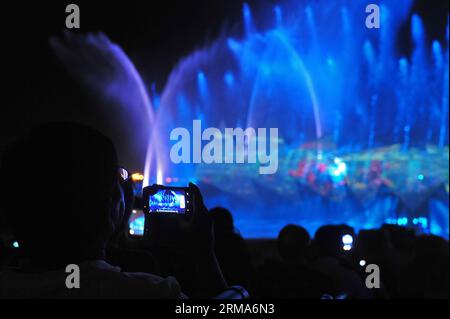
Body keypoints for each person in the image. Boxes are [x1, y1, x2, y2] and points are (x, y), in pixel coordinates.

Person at [0, 122, 227, 298]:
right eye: (118, 176)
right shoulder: (147, 293)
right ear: (108, 205)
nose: (125, 186)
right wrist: (204, 255)